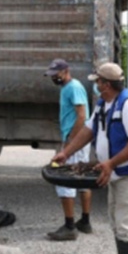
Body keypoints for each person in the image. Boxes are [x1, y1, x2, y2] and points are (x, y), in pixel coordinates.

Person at [51, 62, 128, 254]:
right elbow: (88, 130)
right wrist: (66, 153)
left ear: (106, 84)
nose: (96, 86)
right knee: (117, 223)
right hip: (117, 171)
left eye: (98, 82)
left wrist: (110, 163)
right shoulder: (104, 104)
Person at [43, 58, 92, 241]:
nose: (54, 77)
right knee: (82, 178)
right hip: (78, 139)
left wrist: (71, 142)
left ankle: (69, 226)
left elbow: (82, 115)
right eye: (52, 75)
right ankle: (85, 222)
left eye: (56, 74)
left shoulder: (73, 87)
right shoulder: (67, 88)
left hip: (76, 140)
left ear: (66, 71)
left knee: (64, 179)